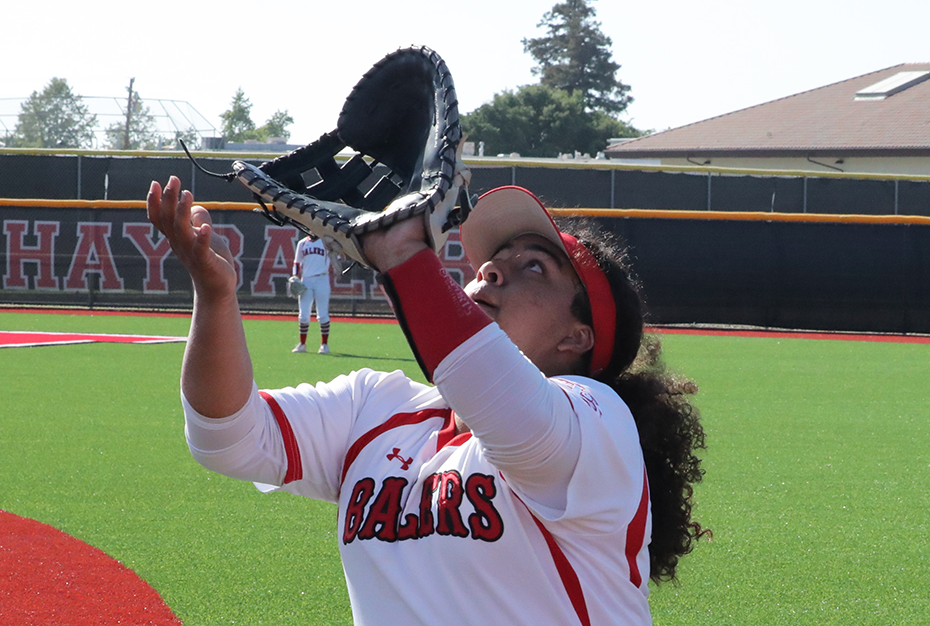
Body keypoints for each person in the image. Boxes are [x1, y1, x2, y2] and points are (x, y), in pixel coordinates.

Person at [146, 176, 708, 626]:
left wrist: (405, 256)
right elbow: (229, 438)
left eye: (533, 267)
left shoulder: (598, 421)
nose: (491, 269)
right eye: (493, 261)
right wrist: (215, 294)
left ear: (576, 337)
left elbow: (508, 407)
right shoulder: (376, 407)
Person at [290, 233, 332, 354]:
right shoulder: (302, 243)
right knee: (303, 314)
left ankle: (324, 345)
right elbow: (297, 262)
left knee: (323, 314)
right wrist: (295, 277)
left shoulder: (326, 243)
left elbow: (335, 258)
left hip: (322, 279)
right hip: (306, 280)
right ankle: (302, 344)